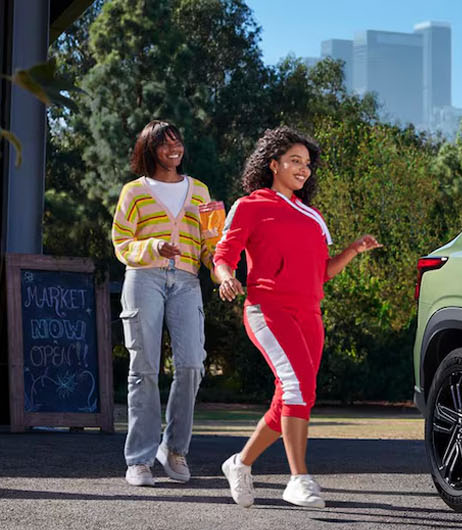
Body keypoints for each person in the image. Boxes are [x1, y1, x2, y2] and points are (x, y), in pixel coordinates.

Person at [213, 126, 381, 508]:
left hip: (309, 314)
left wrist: (353, 250)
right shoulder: (250, 205)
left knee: (293, 396)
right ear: (273, 164)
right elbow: (223, 254)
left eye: (307, 163)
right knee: (297, 389)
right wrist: (226, 277)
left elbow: (322, 272)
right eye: (294, 161)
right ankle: (298, 478)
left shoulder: (312, 215)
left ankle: (240, 463)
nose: (303, 169)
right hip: (268, 310)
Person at [109, 120, 224, 486]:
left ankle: (174, 449)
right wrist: (153, 247)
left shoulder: (200, 191)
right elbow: (121, 242)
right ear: (150, 149)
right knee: (144, 369)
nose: (174, 149)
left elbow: (211, 244)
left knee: (191, 365)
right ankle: (139, 460)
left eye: (178, 142)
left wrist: (221, 271)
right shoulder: (134, 191)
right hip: (144, 278)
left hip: (187, 282)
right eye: (165, 144)